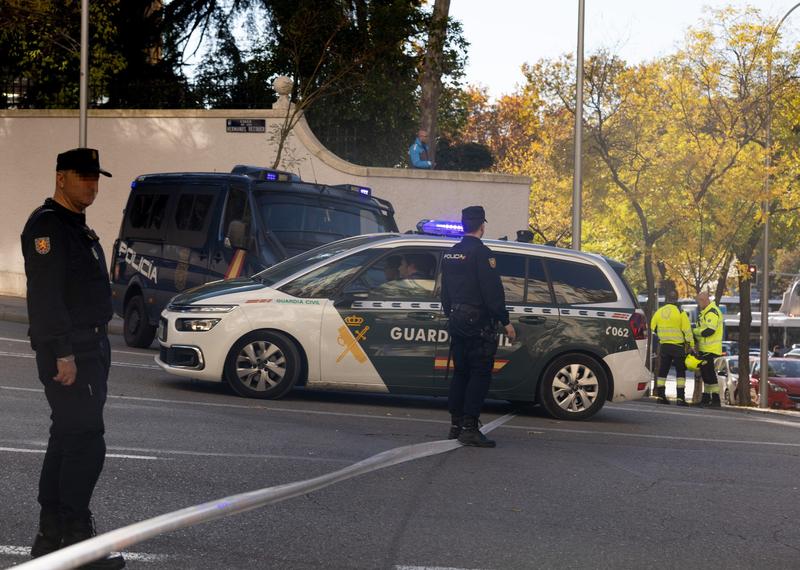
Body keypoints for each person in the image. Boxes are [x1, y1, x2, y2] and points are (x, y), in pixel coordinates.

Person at [21, 148, 125, 568]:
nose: (91, 185)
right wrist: (63, 352)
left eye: (95, 178)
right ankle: (77, 542)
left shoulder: (75, 227)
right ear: (61, 177)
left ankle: (51, 536)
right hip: (71, 350)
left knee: (67, 438)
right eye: (83, 177)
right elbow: (45, 297)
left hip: (89, 346)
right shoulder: (48, 226)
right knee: (85, 442)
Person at [441, 206, 516, 447]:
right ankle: (470, 427)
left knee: (460, 372)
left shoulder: (451, 254)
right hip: (478, 323)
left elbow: (445, 293)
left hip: (457, 319)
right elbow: (492, 292)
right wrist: (505, 321)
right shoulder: (483, 255)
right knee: (480, 373)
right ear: (482, 226)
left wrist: (451, 315)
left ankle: (456, 424)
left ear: (463, 225)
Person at [650, 289, 693, 405]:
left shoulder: (659, 312)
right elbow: (687, 330)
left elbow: (652, 327)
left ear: (666, 299)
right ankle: (680, 399)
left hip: (664, 346)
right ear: (676, 299)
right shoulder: (680, 312)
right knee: (680, 372)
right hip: (678, 347)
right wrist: (691, 344)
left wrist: (660, 336)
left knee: (663, 372)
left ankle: (660, 397)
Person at [692, 291, 724, 408]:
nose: (699, 303)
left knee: (709, 374)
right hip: (705, 348)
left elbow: (709, 331)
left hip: (710, 349)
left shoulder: (711, 312)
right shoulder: (706, 312)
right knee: (706, 374)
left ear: (705, 300)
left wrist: (694, 332)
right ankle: (706, 399)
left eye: (700, 301)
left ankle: (715, 400)